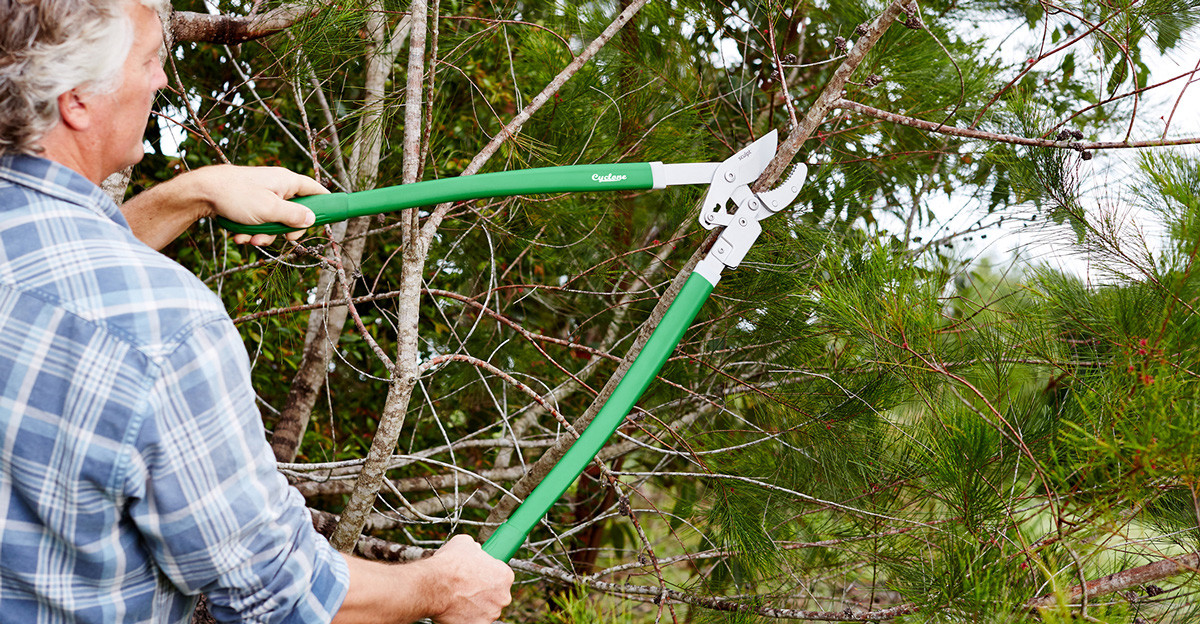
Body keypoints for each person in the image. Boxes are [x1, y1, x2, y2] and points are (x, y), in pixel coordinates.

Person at [0, 0, 515, 622]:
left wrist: (192, 191)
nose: (162, 81)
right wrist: (437, 588)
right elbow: (272, 590)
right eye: (149, 61)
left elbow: (52, 283)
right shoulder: (166, 330)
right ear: (77, 99)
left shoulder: (53, 273)